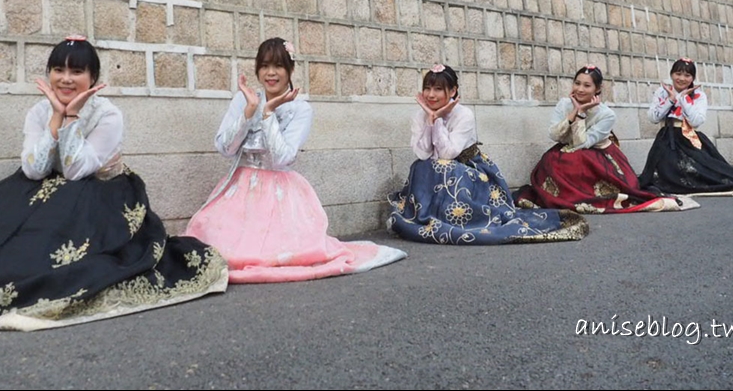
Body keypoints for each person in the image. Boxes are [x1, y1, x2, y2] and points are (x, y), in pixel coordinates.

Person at [0, 37, 228, 330]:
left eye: (77, 72)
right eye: (58, 70)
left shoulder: (108, 114)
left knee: (56, 246)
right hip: (40, 189)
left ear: (93, 78)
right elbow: (33, 169)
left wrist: (70, 119)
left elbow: (76, 171)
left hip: (99, 193)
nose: (66, 79)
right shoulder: (39, 111)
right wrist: (55, 117)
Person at [184, 37, 406, 283]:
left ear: (290, 70)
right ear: (257, 68)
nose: (271, 73)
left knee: (272, 252)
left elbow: (282, 158)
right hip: (239, 187)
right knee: (211, 247)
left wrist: (268, 114)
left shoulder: (301, 109)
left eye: (278, 66)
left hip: (279, 192)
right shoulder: (244, 99)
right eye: (265, 65)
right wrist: (249, 112)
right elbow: (225, 148)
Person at [388, 64, 589, 244]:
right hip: (437, 167)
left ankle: (457, 217)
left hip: (467, 168)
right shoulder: (419, 115)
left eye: (438, 89)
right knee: (421, 166)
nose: (431, 95)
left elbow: (448, 153)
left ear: (453, 91)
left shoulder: (464, 115)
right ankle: (428, 216)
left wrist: (438, 120)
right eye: (427, 88)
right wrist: (429, 120)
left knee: (444, 167)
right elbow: (423, 153)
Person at [515, 65, 698, 213]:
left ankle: (579, 196)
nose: (580, 89)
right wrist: (572, 113)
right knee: (552, 161)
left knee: (577, 161)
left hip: (597, 153)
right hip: (566, 149)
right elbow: (554, 135)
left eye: (587, 86)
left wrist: (582, 113)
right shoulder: (564, 104)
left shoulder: (606, 114)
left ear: (597, 89)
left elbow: (582, 144)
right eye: (577, 83)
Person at [639, 58, 733, 195]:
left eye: (687, 76)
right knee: (659, 175)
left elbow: (696, 121)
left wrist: (684, 99)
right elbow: (653, 117)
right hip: (666, 138)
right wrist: (671, 100)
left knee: (712, 172)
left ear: (692, 78)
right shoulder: (662, 92)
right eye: (678, 74)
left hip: (688, 137)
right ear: (672, 74)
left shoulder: (699, 95)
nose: (682, 79)